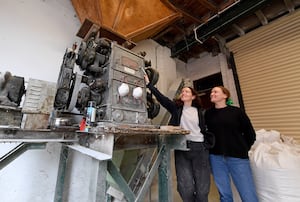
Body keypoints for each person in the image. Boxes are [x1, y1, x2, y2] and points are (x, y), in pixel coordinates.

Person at [145, 75, 213, 202]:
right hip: (182, 148)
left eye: (187, 91)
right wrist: (149, 85)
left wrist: (208, 144)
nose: (183, 92)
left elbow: (208, 129)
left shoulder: (201, 112)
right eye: (182, 91)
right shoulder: (176, 109)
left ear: (193, 96)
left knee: (202, 187)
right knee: (184, 187)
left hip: (200, 149)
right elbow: (162, 99)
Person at [204, 86, 258, 202]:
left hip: (238, 158)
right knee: (225, 195)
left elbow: (250, 134)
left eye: (215, 91)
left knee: (248, 193)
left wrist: (242, 148)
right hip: (216, 158)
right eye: (211, 92)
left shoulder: (236, 112)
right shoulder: (208, 114)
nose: (212, 94)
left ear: (225, 95)